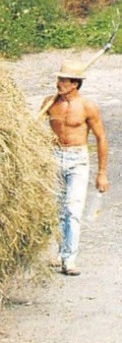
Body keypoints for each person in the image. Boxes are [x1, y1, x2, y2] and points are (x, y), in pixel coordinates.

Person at [38, 63, 109, 276]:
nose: (58, 83)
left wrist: (102, 173)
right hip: (54, 156)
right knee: (56, 209)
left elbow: (101, 138)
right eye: (59, 79)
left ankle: (69, 259)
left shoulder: (87, 106)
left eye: (63, 80)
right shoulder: (49, 103)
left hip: (78, 159)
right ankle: (60, 253)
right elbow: (34, 129)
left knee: (72, 209)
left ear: (74, 84)